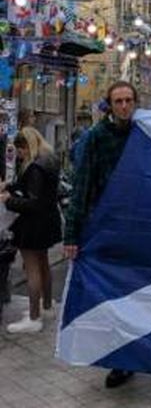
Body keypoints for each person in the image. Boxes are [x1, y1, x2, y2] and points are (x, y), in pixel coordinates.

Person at [64, 80, 138, 389]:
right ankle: (120, 361)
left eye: (128, 101)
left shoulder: (145, 133)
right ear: (110, 105)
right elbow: (81, 185)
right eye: (118, 101)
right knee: (114, 298)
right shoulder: (96, 138)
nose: (124, 106)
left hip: (144, 227)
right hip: (107, 229)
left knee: (149, 292)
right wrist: (72, 234)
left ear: (135, 103)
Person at [0, 127, 61, 333]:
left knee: (32, 268)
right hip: (48, 222)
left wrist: (9, 200)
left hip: (33, 225)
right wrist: (9, 186)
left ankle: (34, 318)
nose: (20, 155)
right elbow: (34, 190)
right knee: (43, 264)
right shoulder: (48, 159)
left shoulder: (35, 167)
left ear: (27, 146)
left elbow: (33, 202)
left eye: (21, 151)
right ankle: (46, 307)